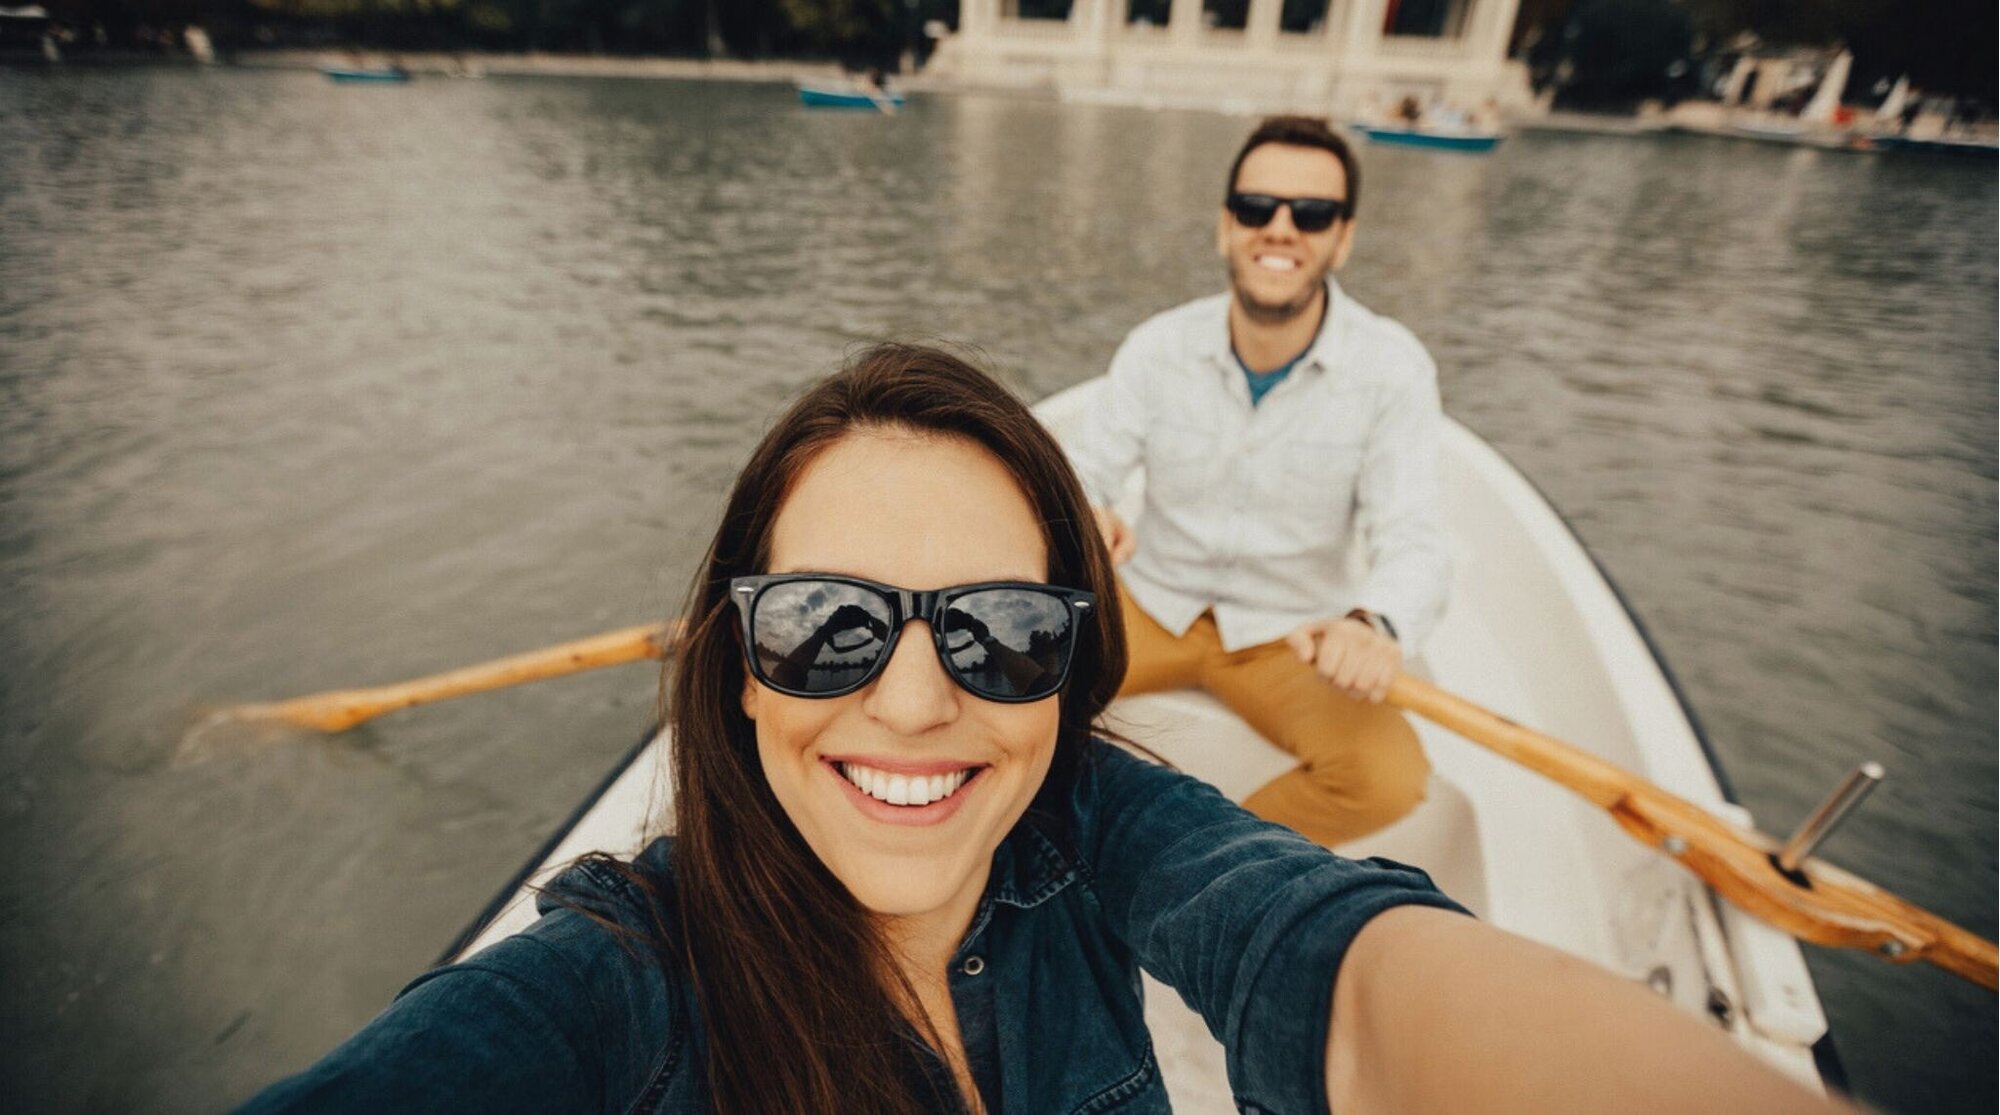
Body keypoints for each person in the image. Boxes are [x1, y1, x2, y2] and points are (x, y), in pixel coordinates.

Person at [239, 345, 1838, 1114]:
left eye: (999, 631)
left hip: (1275, 632)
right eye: (826, 622)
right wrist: (1081, 569)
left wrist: (1378, 624)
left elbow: (1343, 975)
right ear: (737, 662)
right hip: (1164, 607)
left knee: (1380, 778)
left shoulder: (1097, 829)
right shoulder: (620, 982)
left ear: (1067, 677)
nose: (916, 697)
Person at [1063, 115, 1450, 849]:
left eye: (1310, 214)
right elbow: (1084, 470)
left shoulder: (1393, 369)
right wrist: (1089, 508)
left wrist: (1373, 624)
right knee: (1008, 679)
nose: (1280, 229)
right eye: (1255, 208)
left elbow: (1416, 536)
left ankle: (1199, 859)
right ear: (1225, 227)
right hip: (1150, 600)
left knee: (1386, 775)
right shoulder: (1158, 346)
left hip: (1292, 634)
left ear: (1343, 237)